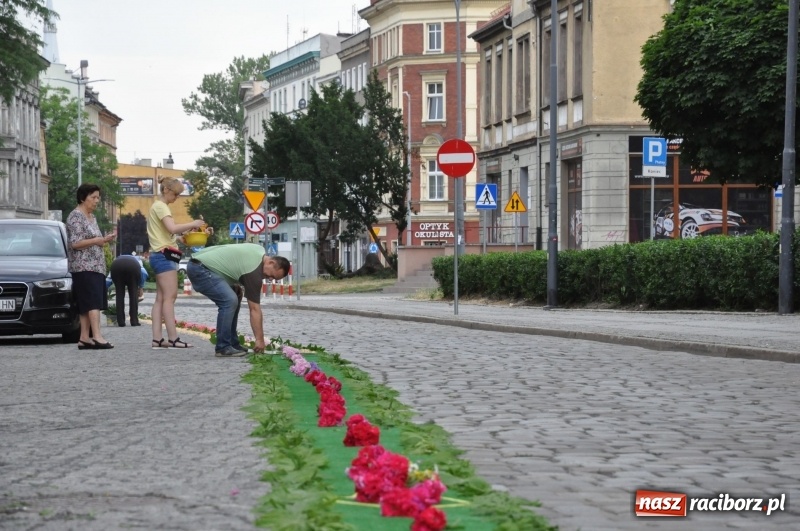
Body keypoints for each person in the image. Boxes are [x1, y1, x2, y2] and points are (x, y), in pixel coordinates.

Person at [186, 243, 289, 357]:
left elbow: (234, 261)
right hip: (200, 269)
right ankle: (223, 347)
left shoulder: (259, 250)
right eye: (272, 276)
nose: (270, 279)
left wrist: (233, 283)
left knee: (236, 294)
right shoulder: (254, 273)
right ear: (271, 262)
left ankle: (232, 343)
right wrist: (259, 340)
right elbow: (254, 309)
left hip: (200, 263)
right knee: (229, 300)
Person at [147, 175, 206, 349]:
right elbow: (172, 228)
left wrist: (183, 236)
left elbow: (169, 233)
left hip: (159, 254)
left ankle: (157, 338)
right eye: (176, 194)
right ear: (166, 190)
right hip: (164, 255)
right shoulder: (161, 207)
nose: (177, 198)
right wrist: (192, 223)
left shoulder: (157, 207)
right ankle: (173, 338)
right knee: (169, 298)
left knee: (160, 299)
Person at [66, 183, 116, 350]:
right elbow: (75, 243)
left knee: (88, 303)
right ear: (82, 198)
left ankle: (84, 337)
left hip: (96, 266)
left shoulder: (91, 217)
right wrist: (97, 241)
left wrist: (104, 240)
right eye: (93, 197)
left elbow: (95, 239)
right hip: (83, 266)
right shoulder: (76, 216)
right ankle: (98, 336)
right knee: (92, 302)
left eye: (98, 198)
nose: (97, 201)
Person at [109, 254, 148, 327]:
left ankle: (121, 322)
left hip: (116, 266)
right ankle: (134, 321)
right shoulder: (137, 260)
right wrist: (141, 287)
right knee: (133, 295)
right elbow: (144, 273)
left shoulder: (117, 259)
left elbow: (108, 279)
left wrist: (104, 289)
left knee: (119, 295)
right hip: (133, 267)